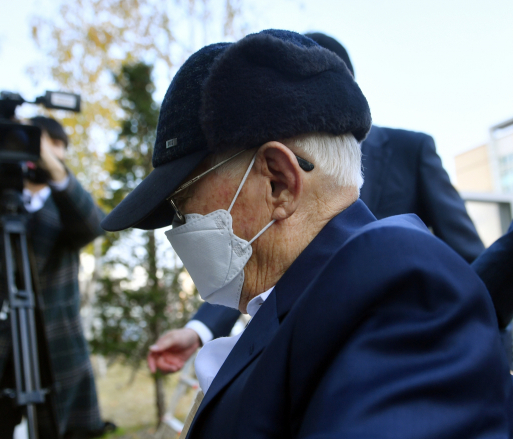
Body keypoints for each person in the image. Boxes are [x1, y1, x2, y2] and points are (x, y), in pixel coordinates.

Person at [101, 29, 513, 438]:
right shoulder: (290, 303)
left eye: (182, 201)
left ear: (278, 183)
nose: (178, 229)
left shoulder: (406, 297)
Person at [147, 31, 488, 374]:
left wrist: (478, 343)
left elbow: (468, 256)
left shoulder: (411, 152)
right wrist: (199, 330)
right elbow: (256, 255)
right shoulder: (257, 169)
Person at [0, 115, 114, 438]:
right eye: (30, 138)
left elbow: (92, 226)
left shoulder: (65, 204)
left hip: (54, 349)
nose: (38, 148)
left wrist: (51, 164)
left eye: (51, 142)